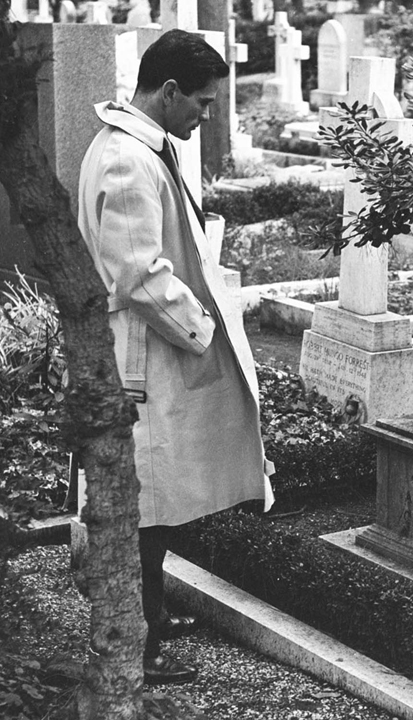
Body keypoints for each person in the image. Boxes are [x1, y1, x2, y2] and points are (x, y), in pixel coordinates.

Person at [77, 29, 274, 686]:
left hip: (147, 351)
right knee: (146, 507)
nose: (207, 115)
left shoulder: (137, 147)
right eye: (202, 102)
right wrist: (204, 329)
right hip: (144, 356)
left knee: (155, 503)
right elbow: (138, 275)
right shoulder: (128, 161)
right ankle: (141, 644)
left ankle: (151, 616)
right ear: (168, 92)